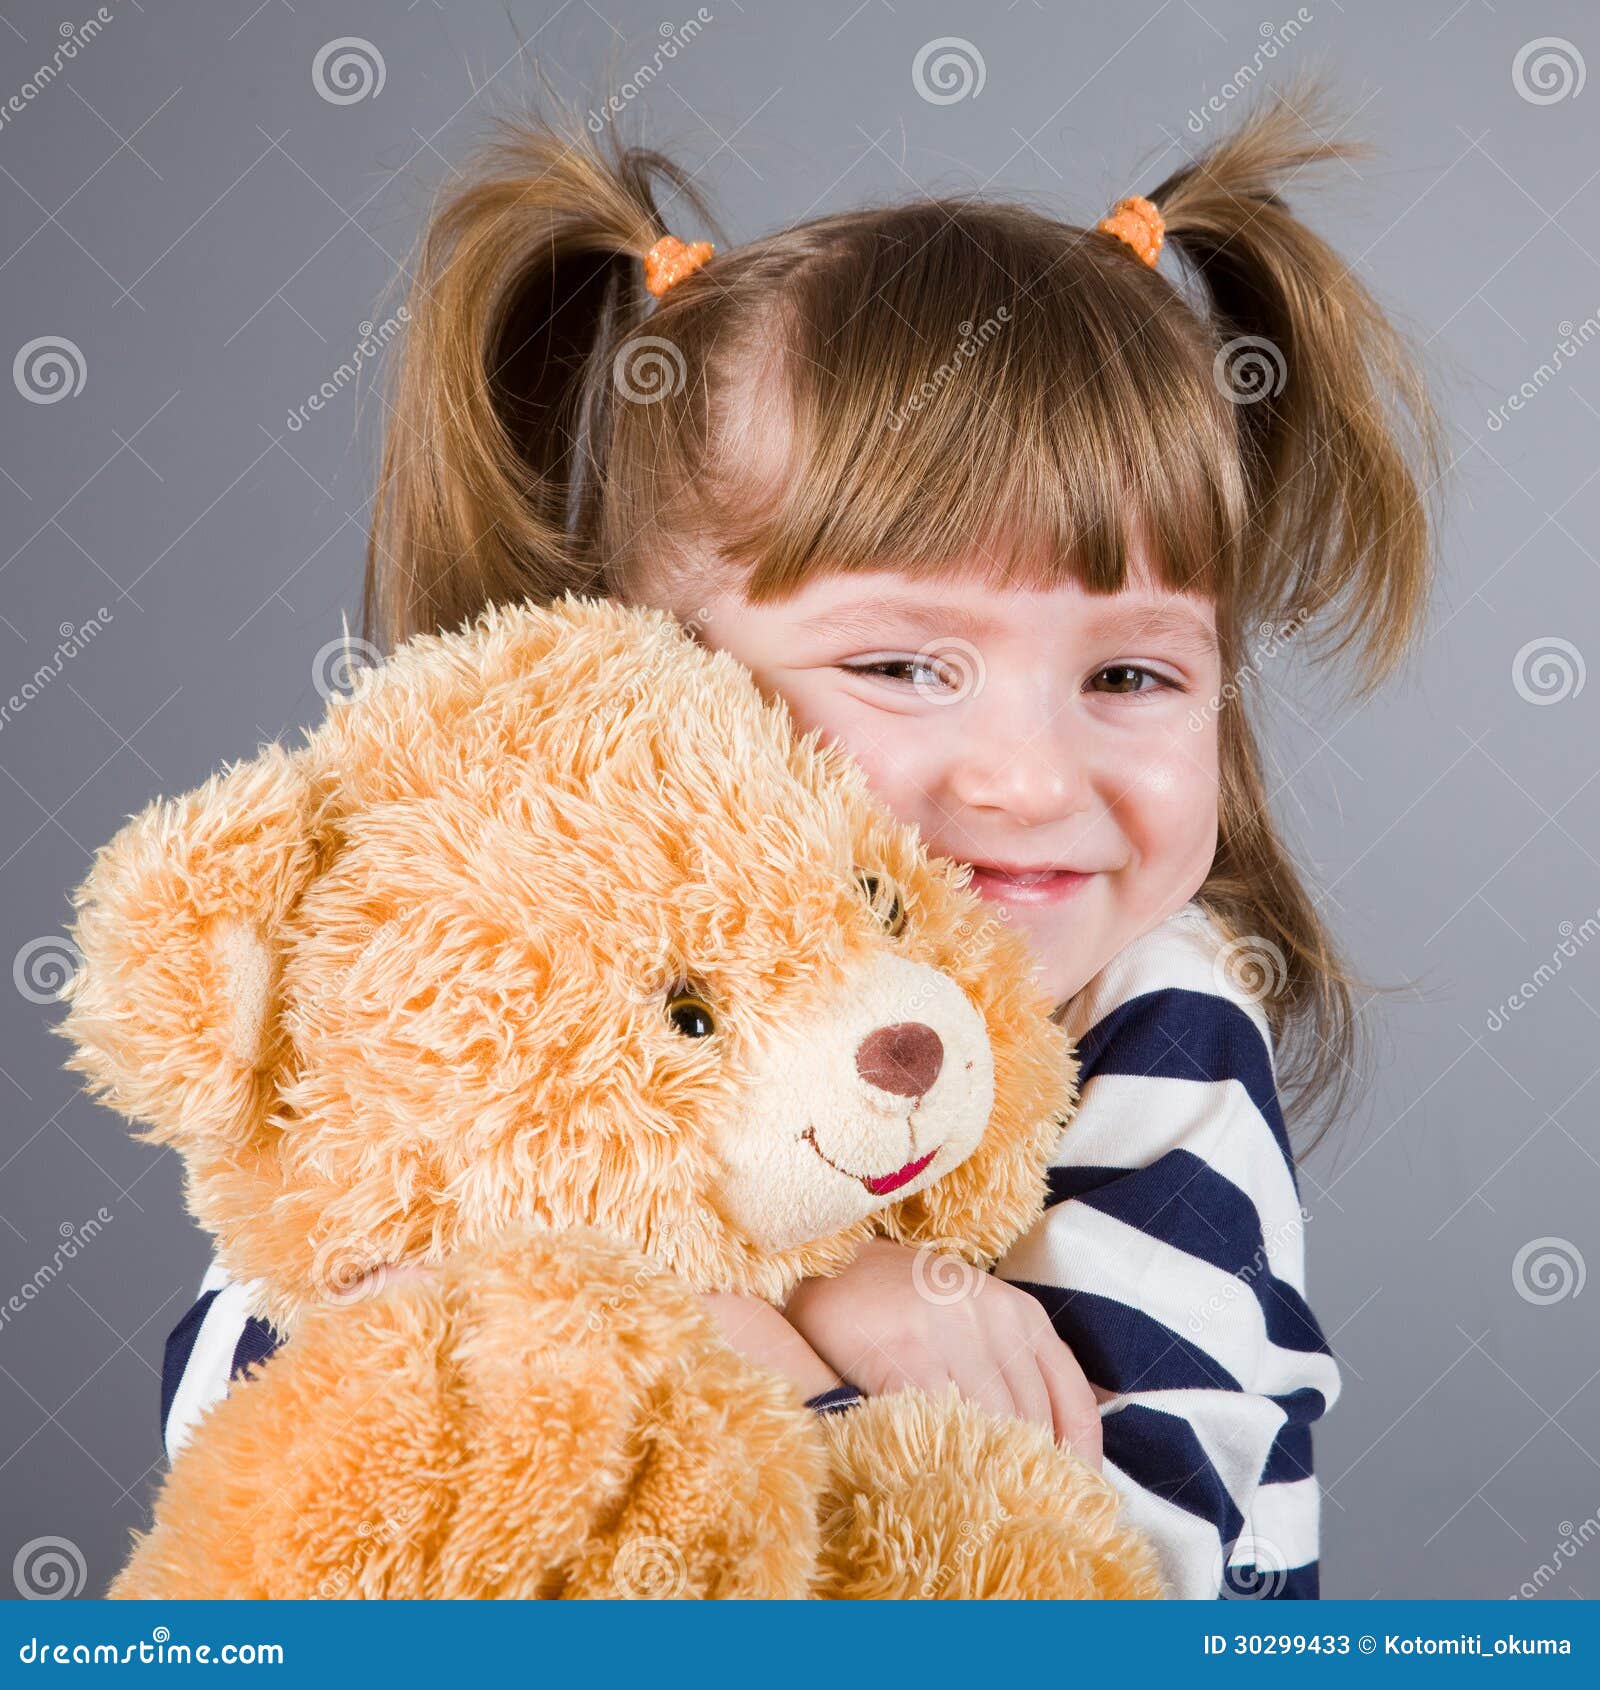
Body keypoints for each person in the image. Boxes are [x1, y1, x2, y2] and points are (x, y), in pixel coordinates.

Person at [158, 72, 1443, 1599]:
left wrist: (725, 1331)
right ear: (656, 675)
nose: (1032, 779)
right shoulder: (500, 995)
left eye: (1131, 673)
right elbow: (240, 1433)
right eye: (905, 665)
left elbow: (1121, 1575)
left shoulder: (1155, 1028)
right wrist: (801, 1300)